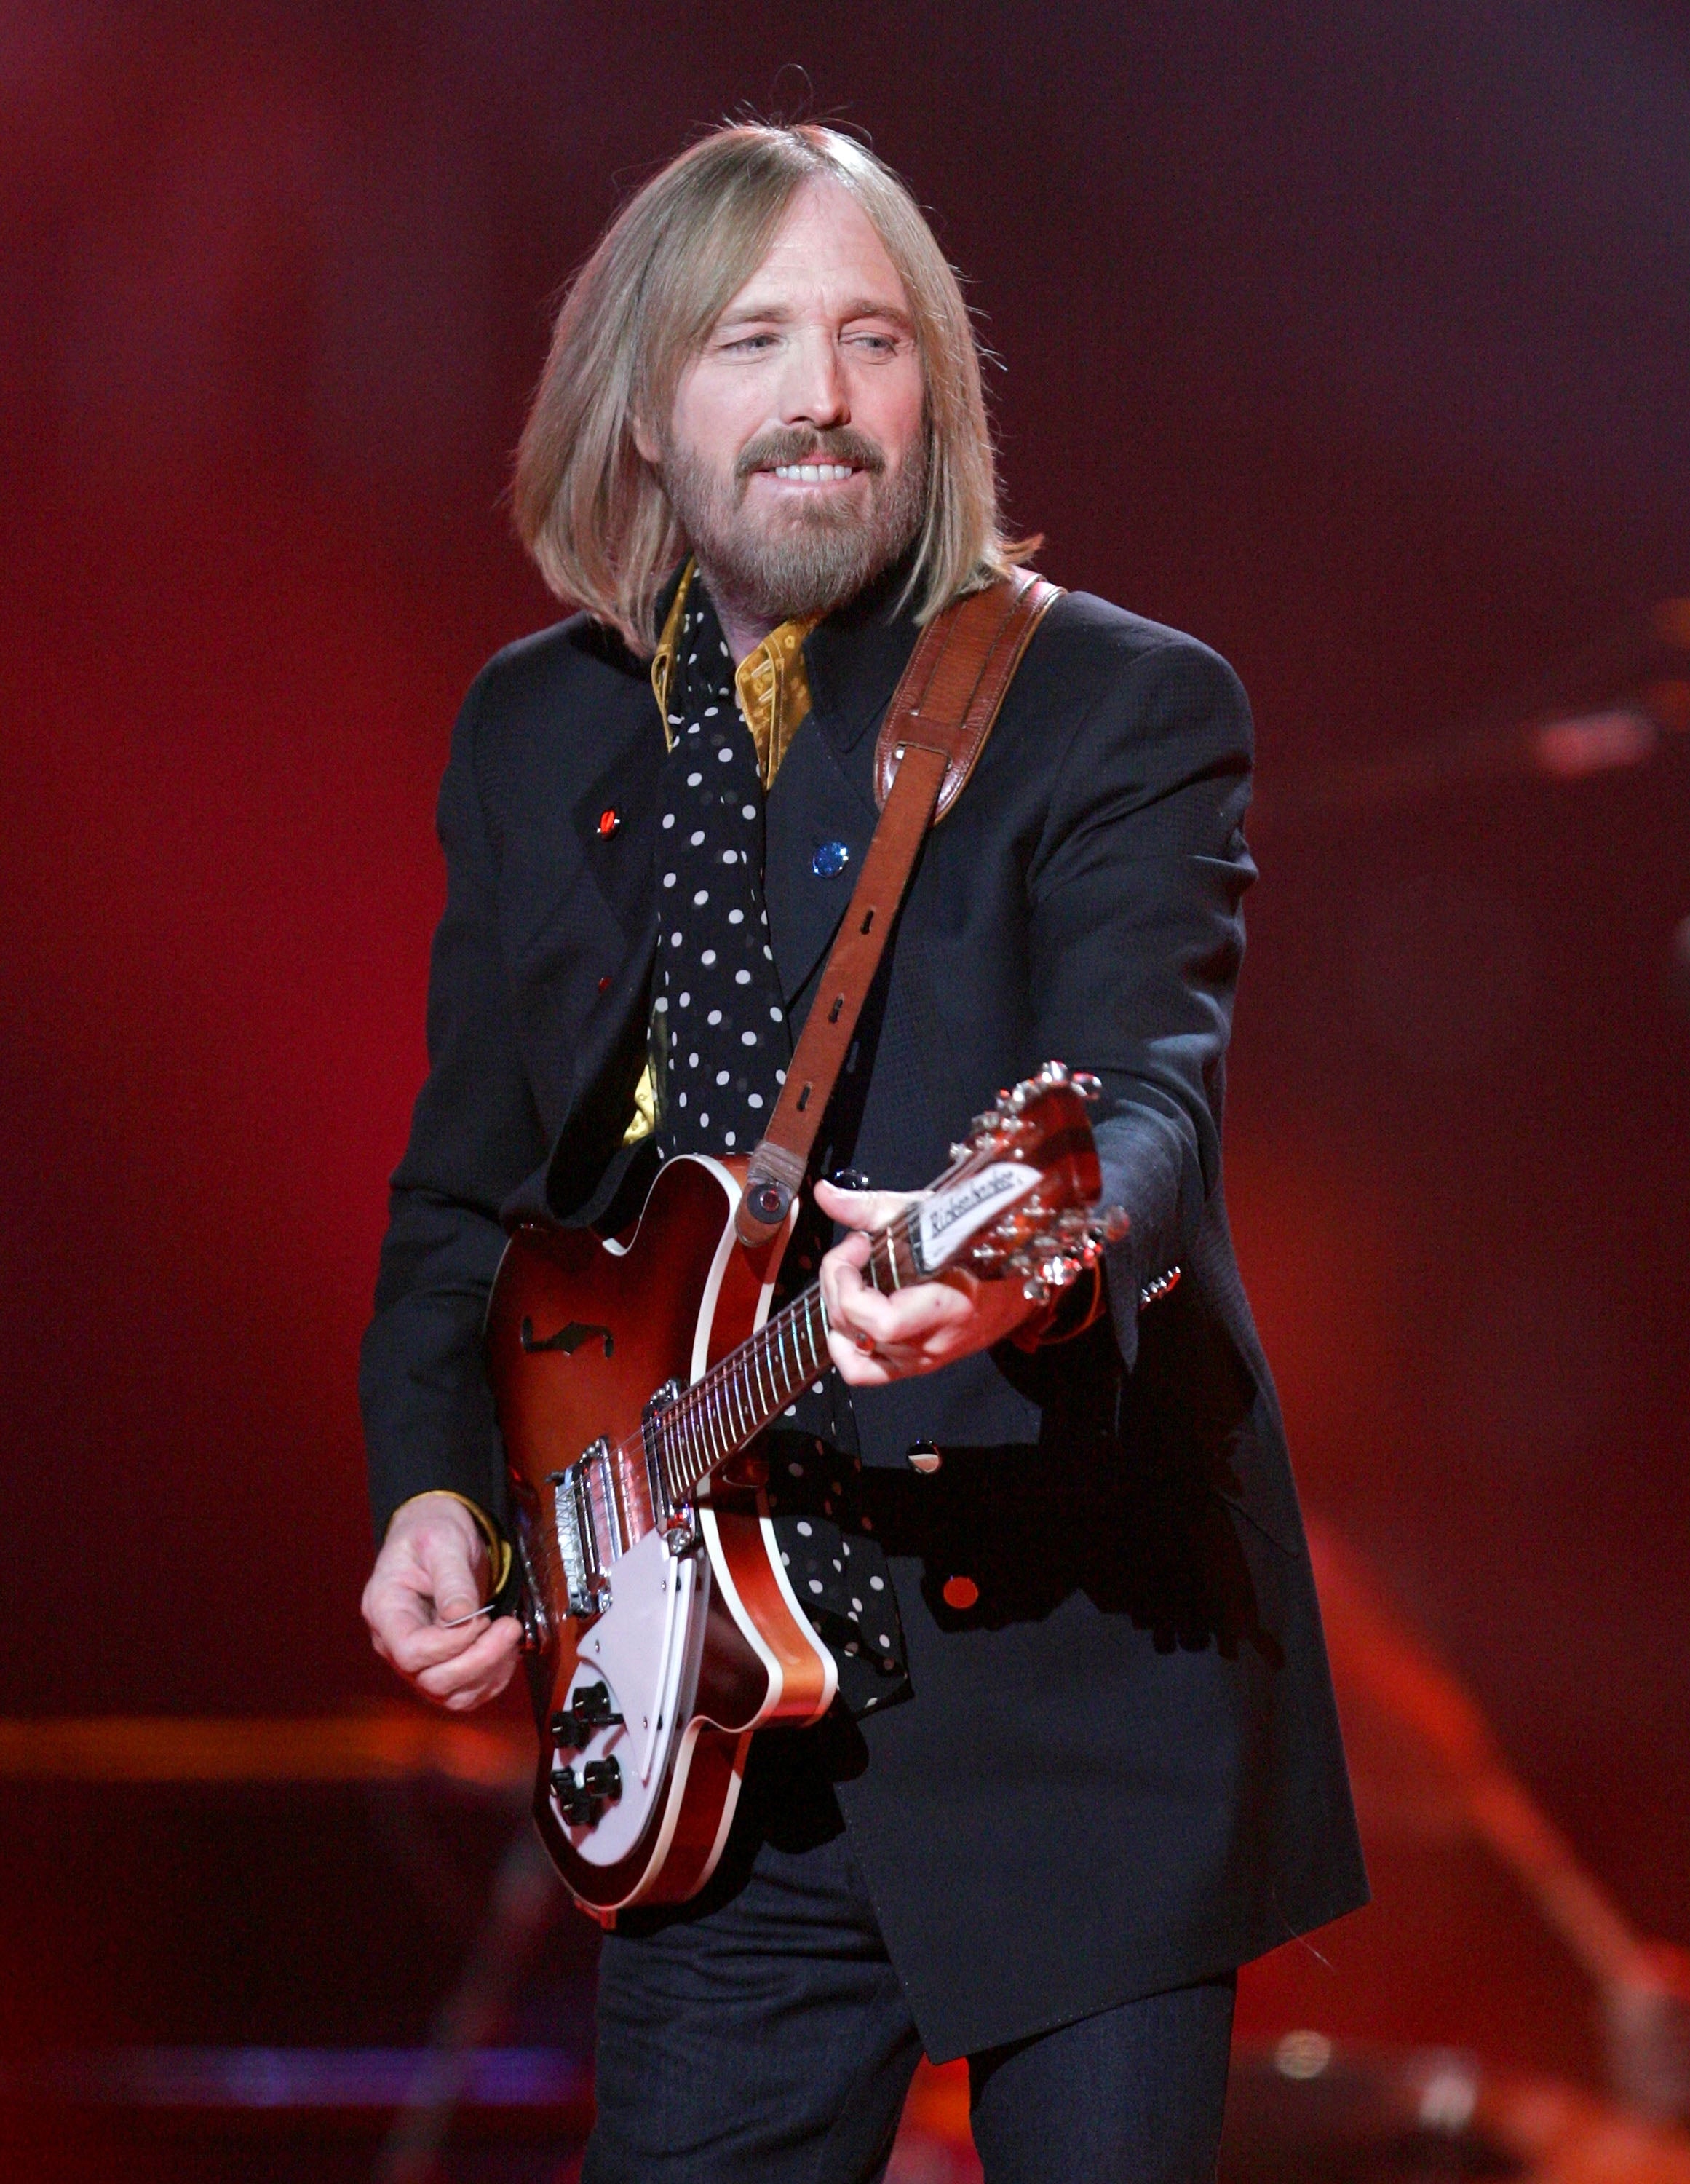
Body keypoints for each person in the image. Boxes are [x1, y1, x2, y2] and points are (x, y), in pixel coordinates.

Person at [358, 122, 1367, 2184]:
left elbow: (1144, 1112)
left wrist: (1016, 1262)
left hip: (1077, 1693)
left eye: (872, 340)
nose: (821, 393)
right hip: (714, 1733)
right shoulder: (541, 731)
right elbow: (473, 1194)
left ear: (936, 395)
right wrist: (439, 1489)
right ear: (640, 407)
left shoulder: (1114, 705)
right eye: (751, 340)